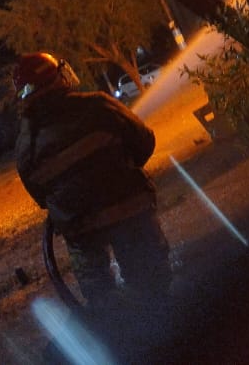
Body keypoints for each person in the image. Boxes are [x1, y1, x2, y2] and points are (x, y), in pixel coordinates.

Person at [13, 51, 171, 349]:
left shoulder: (26, 146)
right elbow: (144, 142)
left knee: (102, 299)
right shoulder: (98, 106)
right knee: (154, 288)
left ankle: (121, 339)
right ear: (58, 77)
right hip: (132, 212)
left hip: (81, 232)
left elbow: (41, 197)